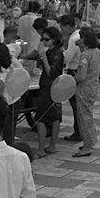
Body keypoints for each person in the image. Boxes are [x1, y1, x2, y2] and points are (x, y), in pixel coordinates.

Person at [34, 26, 63, 158]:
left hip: (50, 87)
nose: (44, 42)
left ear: (54, 39)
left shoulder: (57, 53)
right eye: (42, 39)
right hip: (52, 86)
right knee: (54, 117)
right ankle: (52, 146)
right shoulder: (53, 51)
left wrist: (44, 56)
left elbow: (50, 72)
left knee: (41, 118)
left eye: (46, 39)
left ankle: (41, 149)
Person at [72, 27, 100, 158]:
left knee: (84, 118)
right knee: (88, 116)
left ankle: (87, 146)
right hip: (93, 87)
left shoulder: (85, 56)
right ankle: (90, 141)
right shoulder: (96, 52)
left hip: (84, 88)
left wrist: (72, 79)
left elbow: (81, 76)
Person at [58, 15, 82, 142]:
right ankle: (79, 130)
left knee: (75, 104)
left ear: (68, 27)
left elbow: (66, 58)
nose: (61, 31)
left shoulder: (73, 39)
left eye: (62, 28)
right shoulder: (77, 35)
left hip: (75, 70)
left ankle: (78, 132)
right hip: (77, 69)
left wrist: (61, 47)